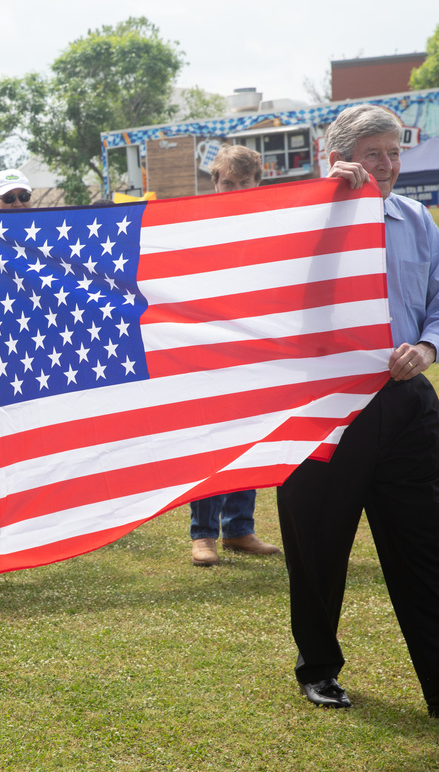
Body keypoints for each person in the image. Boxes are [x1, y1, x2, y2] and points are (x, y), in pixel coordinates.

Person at [277, 104, 439, 717]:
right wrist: (327, 200)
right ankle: (317, 667)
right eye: (374, 154)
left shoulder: (415, 219)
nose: (389, 165)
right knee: (318, 545)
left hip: (407, 408)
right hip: (325, 409)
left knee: (428, 547)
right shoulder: (299, 219)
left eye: (395, 152)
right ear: (335, 156)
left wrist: (427, 346)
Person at [188, 146, 281, 566]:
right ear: (215, 183)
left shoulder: (275, 226)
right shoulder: (193, 227)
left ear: (258, 183)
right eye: (229, 183)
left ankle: (240, 528)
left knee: (253, 435)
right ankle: (203, 533)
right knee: (211, 442)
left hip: (256, 349)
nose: (238, 190)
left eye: (246, 183)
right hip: (207, 350)